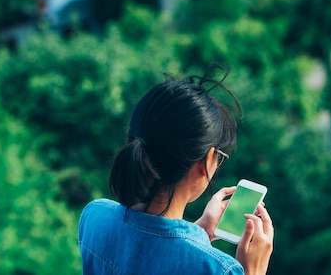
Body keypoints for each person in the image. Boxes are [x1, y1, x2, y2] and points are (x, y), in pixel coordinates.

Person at [78, 68, 274, 275]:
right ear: (206, 161)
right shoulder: (220, 269)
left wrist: (201, 232)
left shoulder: (95, 216)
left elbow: (150, 252)